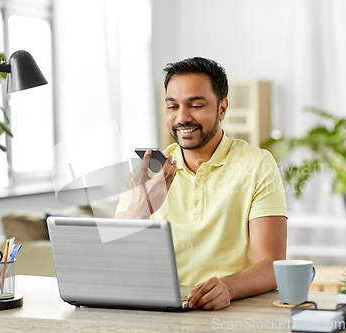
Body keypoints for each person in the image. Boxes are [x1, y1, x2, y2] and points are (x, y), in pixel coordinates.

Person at [115, 57, 287, 310]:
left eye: (195, 105)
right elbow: (116, 261)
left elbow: (271, 265)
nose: (182, 117)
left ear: (222, 109)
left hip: (231, 308)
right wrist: (140, 211)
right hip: (160, 307)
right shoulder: (146, 173)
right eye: (172, 106)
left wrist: (228, 287)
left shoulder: (258, 164)